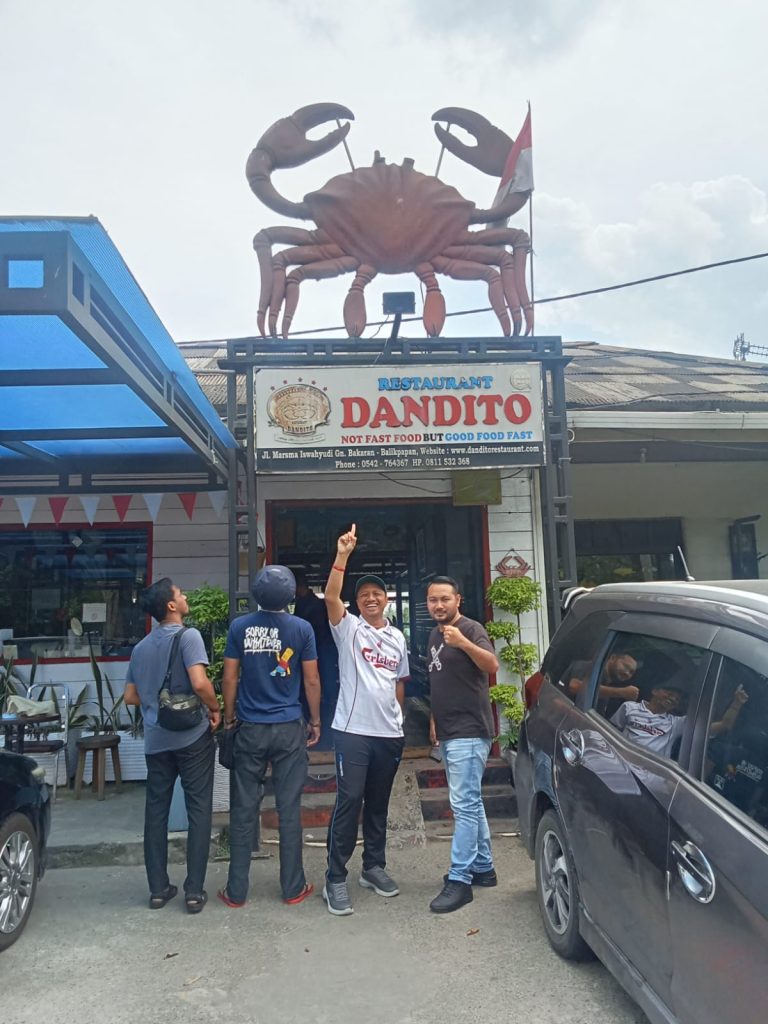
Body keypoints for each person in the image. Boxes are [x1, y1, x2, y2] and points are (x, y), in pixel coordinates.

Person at [218, 565, 321, 909]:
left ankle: (236, 891)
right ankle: (293, 887)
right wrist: (315, 720)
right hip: (289, 727)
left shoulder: (240, 627)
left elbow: (229, 678)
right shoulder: (302, 628)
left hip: (249, 727)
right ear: (291, 595)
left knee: (243, 808)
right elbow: (311, 680)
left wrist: (229, 718)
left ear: (256, 594)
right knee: (289, 807)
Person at [322, 524, 410, 916]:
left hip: (389, 734)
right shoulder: (349, 629)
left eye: (377, 593)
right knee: (349, 800)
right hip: (352, 732)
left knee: (378, 804)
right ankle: (335, 877)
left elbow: (399, 682)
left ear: (386, 600)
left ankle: (373, 867)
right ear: (356, 603)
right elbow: (331, 596)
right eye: (363, 595)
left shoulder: (398, 638)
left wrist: (399, 719)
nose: (370, 598)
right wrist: (342, 555)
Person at [124, 578, 220, 914]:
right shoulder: (188, 636)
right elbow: (199, 683)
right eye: (180, 594)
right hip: (192, 737)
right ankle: (193, 891)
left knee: (156, 812)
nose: (185, 596)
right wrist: (215, 707)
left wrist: (156, 704)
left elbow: (130, 696)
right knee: (198, 810)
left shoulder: (140, 648)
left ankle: (158, 889)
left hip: (156, 741)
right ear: (171, 605)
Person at [426, 575, 499, 913]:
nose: (438, 605)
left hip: (469, 730)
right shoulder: (433, 634)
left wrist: (464, 643)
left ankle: (460, 879)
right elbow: (440, 680)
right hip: (449, 730)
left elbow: (491, 664)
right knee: (471, 801)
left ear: (458, 600)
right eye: (433, 600)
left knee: (464, 805)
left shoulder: (470, 629)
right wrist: (434, 719)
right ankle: (483, 868)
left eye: (445, 599)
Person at [612, 681, 748, 757]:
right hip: (619, 761)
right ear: (655, 691)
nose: (673, 698)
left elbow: (724, 725)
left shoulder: (676, 723)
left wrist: (736, 704)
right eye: (669, 693)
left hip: (648, 776)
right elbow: (610, 733)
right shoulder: (629, 707)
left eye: (677, 699)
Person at [567, 652, 639, 706]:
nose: (627, 673)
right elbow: (573, 686)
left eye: (631, 672)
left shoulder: (608, 684)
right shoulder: (588, 667)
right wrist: (622, 692)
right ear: (613, 658)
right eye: (625, 666)